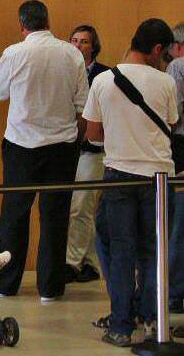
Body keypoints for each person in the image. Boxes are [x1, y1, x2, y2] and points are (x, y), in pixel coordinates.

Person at [82, 18, 178, 347]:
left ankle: (121, 325)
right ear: (156, 49)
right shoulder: (165, 83)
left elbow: (92, 135)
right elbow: (171, 122)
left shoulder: (104, 81)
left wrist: (120, 134)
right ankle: (151, 319)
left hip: (118, 176)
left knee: (117, 249)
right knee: (153, 251)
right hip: (159, 177)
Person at [0, 0, 88, 302]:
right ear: (48, 20)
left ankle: (5, 284)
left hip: (22, 145)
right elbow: (82, 103)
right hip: (62, 146)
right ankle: (51, 288)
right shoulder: (72, 54)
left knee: (14, 215)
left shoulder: (15, 53)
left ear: (22, 25)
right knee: (56, 216)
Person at [65, 25, 109, 284]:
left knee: (81, 205)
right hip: (67, 146)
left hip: (92, 149)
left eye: (84, 42)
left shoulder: (104, 75)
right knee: (81, 207)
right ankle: (90, 262)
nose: (78, 46)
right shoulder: (65, 72)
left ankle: (72, 263)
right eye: (74, 40)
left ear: (93, 47)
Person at [165, 22, 184, 326]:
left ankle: (174, 290)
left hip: (180, 146)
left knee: (177, 221)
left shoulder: (178, 67)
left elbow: (173, 113)